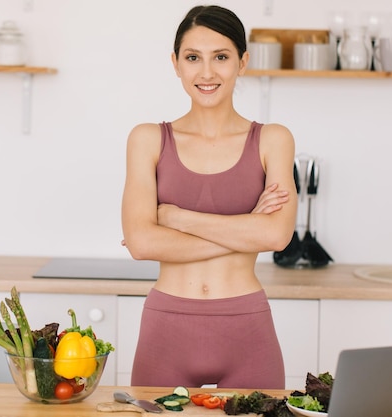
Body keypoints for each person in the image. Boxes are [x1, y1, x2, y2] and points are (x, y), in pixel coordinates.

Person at [121, 5, 297, 389]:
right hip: (166, 329)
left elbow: (277, 237)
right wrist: (247, 226)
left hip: (247, 329)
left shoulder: (273, 140)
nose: (206, 72)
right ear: (176, 64)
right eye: (192, 58)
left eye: (221, 57)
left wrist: (176, 218)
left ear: (242, 61)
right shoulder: (148, 139)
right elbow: (140, 243)